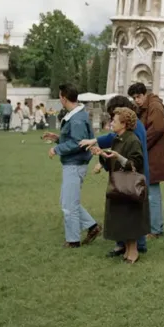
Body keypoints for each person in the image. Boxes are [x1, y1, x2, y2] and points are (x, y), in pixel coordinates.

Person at [83, 94, 152, 257]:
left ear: (124, 122)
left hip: (131, 182)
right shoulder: (118, 138)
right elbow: (112, 160)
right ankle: (126, 248)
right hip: (120, 182)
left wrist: (117, 157)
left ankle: (135, 249)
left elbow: (135, 162)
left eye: (114, 119)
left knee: (132, 215)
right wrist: (101, 154)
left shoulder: (133, 137)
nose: (110, 123)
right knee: (123, 215)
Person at [42, 83, 100, 248]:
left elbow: (77, 142)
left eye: (60, 96)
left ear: (64, 98)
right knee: (67, 201)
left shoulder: (77, 119)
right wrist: (58, 138)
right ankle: (92, 226)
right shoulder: (78, 116)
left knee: (68, 205)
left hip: (75, 164)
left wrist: (57, 148)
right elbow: (76, 139)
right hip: (74, 164)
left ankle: (73, 240)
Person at [128, 81, 164, 238]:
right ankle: (154, 226)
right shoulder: (146, 106)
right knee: (150, 192)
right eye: (134, 98)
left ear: (145, 94)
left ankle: (155, 229)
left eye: (138, 97)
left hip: (154, 156)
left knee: (152, 193)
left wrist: (140, 144)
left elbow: (157, 128)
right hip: (150, 154)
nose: (137, 100)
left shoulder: (155, 106)